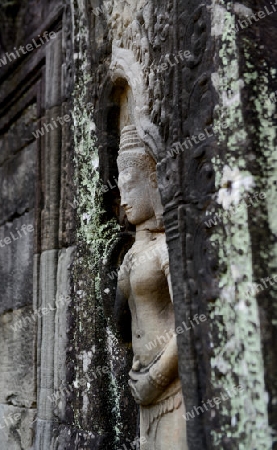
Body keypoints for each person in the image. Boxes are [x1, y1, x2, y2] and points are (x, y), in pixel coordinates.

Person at [115, 125, 188, 449]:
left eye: (130, 185)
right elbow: (122, 324)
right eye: (119, 188)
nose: (124, 199)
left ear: (153, 181)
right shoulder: (134, 253)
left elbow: (190, 322)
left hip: (171, 384)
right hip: (142, 382)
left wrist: (156, 379)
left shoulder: (166, 248)